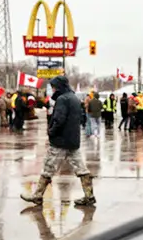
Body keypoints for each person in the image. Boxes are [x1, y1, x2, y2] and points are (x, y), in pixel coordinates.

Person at [22, 76, 96, 207]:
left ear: (59, 86)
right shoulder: (74, 98)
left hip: (60, 140)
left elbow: (59, 119)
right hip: (73, 140)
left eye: (54, 86)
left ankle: (38, 195)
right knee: (81, 168)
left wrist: (51, 131)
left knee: (49, 167)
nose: (53, 89)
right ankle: (89, 195)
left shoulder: (62, 99)